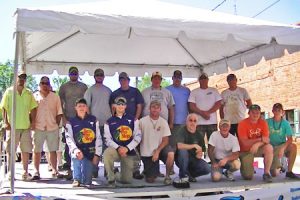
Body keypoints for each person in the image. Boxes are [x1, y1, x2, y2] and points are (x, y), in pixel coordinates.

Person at [0, 70, 38, 181]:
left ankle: (25, 172)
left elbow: (34, 107)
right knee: (11, 150)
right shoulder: (9, 91)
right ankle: (11, 173)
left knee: (25, 150)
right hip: (12, 126)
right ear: (16, 78)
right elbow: (4, 108)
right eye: (20, 77)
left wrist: (33, 122)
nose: (22, 79)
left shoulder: (29, 92)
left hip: (25, 126)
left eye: (24, 78)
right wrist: (6, 122)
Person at [109, 72, 144, 179]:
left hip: (132, 123)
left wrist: (136, 118)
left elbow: (139, 105)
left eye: (125, 79)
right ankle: (115, 169)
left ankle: (136, 170)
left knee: (134, 146)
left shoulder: (135, 91)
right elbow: (112, 108)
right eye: (121, 79)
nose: (123, 81)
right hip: (119, 124)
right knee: (117, 145)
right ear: (119, 81)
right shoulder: (114, 93)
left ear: (128, 80)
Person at [103, 96, 142, 186]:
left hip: (128, 151)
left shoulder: (134, 120)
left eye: (122, 104)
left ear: (125, 106)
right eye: (118, 104)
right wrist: (119, 148)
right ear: (114, 106)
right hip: (116, 150)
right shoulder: (108, 122)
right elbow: (107, 140)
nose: (120, 106)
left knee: (127, 180)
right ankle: (111, 178)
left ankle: (116, 174)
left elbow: (138, 137)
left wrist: (127, 148)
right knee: (106, 153)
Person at [65, 98, 102, 187]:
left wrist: (97, 155)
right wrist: (75, 150)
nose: (81, 108)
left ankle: (87, 176)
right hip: (77, 151)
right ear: (75, 108)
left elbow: (99, 138)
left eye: (83, 106)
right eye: (79, 106)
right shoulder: (70, 122)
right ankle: (76, 179)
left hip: (90, 152)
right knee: (75, 155)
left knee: (87, 182)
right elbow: (69, 139)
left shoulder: (94, 120)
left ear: (87, 108)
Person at [32, 76, 63, 180]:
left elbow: (59, 112)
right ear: (40, 85)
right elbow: (31, 112)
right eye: (42, 83)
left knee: (53, 150)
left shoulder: (55, 97)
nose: (45, 85)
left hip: (52, 127)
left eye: (46, 83)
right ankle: (36, 171)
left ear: (49, 85)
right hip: (38, 127)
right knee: (37, 150)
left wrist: (57, 125)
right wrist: (32, 124)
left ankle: (55, 170)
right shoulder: (34, 96)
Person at [59, 66, 88, 179]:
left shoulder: (83, 86)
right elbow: (60, 104)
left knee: (83, 141)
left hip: (81, 119)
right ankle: (68, 168)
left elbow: (87, 102)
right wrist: (64, 119)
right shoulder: (64, 87)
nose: (73, 75)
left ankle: (83, 168)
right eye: (72, 73)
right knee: (68, 143)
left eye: (75, 73)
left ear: (78, 74)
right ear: (69, 75)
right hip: (69, 118)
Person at [84, 68, 112, 177]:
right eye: (97, 75)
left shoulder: (108, 90)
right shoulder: (90, 90)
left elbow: (112, 106)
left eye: (101, 75)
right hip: (94, 124)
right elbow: (86, 107)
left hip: (106, 124)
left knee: (106, 147)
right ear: (94, 77)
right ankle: (94, 171)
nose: (99, 76)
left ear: (104, 77)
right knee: (94, 148)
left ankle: (107, 170)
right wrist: (90, 120)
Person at [139, 100, 174, 185]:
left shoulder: (163, 122)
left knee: (171, 153)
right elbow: (137, 138)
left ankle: (167, 176)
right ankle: (149, 171)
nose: (155, 109)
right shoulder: (142, 121)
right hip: (147, 153)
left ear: (160, 109)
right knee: (150, 180)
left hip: (159, 150)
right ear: (149, 109)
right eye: (153, 107)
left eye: (157, 107)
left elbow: (166, 140)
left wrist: (157, 151)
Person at [237, 104, 273, 183]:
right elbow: (244, 143)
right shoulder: (242, 124)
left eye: (258, 113)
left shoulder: (263, 123)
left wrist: (257, 144)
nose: (255, 115)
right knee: (248, 176)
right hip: (245, 150)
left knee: (269, 147)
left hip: (258, 148)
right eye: (253, 112)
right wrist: (260, 139)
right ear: (249, 113)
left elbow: (266, 140)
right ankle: (246, 167)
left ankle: (266, 173)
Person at [174, 113, 210, 183]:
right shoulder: (182, 130)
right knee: (183, 151)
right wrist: (194, 145)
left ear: (197, 123)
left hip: (193, 160)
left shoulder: (199, 135)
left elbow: (201, 151)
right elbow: (179, 146)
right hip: (181, 159)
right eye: (190, 120)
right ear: (186, 122)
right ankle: (183, 176)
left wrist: (199, 154)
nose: (192, 123)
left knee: (207, 168)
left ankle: (189, 175)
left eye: (195, 121)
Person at [267, 103, 299, 178]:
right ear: (272, 111)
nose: (277, 112)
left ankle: (289, 171)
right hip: (271, 148)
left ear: (283, 112)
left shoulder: (286, 123)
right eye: (275, 110)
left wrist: (283, 148)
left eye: (279, 110)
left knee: (293, 146)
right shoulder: (267, 122)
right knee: (275, 174)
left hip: (281, 146)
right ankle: (273, 166)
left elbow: (290, 139)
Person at [188, 73, 222, 140]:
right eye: (201, 78)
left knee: (213, 143)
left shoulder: (214, 90)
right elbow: (191, 106)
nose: (203, 80)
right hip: (198, 122)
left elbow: (218, 103)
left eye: (205, 78)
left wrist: (208, 112)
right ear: (199, 80)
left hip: (212, 122)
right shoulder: (194, 92)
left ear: (208, 80)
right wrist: (202, 113)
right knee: (198, 143)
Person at [166, 70, 190, 150]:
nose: (177, 79)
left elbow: (189, 105)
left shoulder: (187, 90)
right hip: (171, 124)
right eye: (176, 77)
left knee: (183, 147)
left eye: (179, 78)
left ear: (182, 78)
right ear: (172, 78)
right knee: (172, 146)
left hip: (184, 123)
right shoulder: (166, 90)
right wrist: (169, 122)